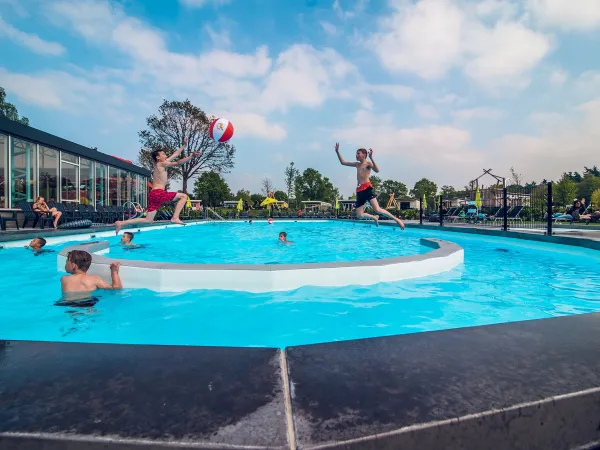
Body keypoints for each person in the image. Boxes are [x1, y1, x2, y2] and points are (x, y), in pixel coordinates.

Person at [115, 138, 200, 234]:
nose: (166, 155)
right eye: (163, 154)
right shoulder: (161, 163)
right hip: (158, 193)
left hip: (154, 194)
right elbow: (177, 163)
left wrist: (184, 145)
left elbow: (175, 155)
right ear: (158, 157)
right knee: (184, 196)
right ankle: (175, 217)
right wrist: (191, 156)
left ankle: (121, 223)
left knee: (148, 220)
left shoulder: (159, 164)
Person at [334, 143, 405, 229]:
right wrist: (337, 151)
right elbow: (343, 162)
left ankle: (397, 220)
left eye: (358, 153)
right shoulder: (357, 164)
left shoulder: (368, 164)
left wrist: (371, 157)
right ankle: (374, 217)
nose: (356, 155)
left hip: (367, 188)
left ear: (364, 155)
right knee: (359, 215)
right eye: (356, 154)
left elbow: (377, 170)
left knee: (377, 209)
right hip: (359, 191)